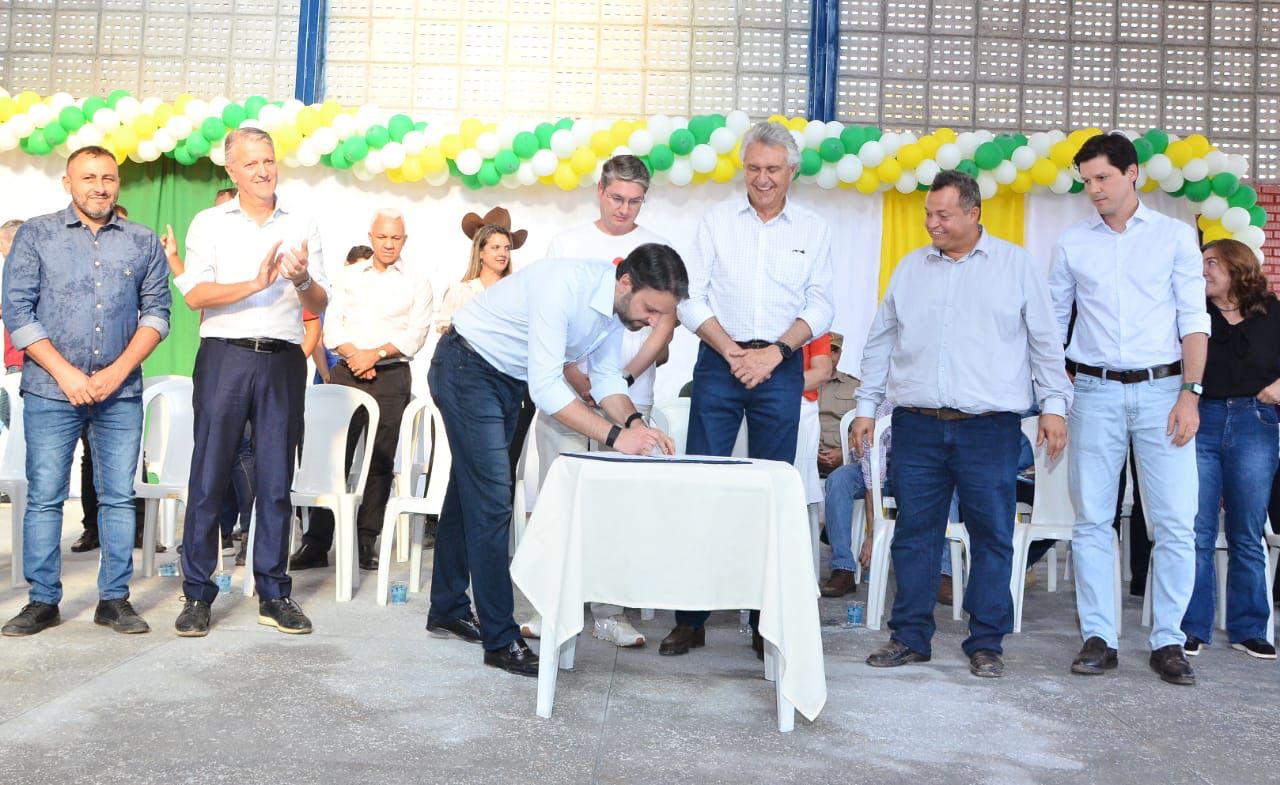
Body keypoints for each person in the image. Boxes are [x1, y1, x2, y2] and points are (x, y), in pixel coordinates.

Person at [427, 244, 687, 677]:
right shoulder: (562, 285)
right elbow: (548, 388)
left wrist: (637, 422)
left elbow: (604, 378)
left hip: (509, 381)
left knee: (469, 492)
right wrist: (616, 436)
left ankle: (447, 607)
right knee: (492, 501)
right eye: (651, 309)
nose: (654, 323)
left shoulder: (615, 310)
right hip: (467, 367)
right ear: (626, 282)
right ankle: (500, 639)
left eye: (663, 314)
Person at [853, 170, 1070, 678]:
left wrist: (1055, 405)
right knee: (914, 533)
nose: (933, 223)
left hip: (989, 428)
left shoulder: (1016, 267)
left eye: (943, 214)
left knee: (991, 534)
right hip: (917, 425)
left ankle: (987, 641)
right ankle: (909, 637)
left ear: (974, 213)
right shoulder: (910, 269)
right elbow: (880, 341)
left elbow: (1044, 340)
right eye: (929, 214)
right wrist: (866, 406)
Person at [661, 121, 834, 659]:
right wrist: (734, 351)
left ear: (793, 171)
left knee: (770, 493)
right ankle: (690, 618)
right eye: (754, 168)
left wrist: (775, 354)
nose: (763, 179)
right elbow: (690, 299)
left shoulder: (813, 228)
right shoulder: (716, 222)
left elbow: (822, 303)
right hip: (719, 360)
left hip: (780, 365)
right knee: (703, 488)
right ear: (744, 168)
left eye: (773, 170)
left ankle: (765, 622)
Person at [1049, 132, 1208, 686]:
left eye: (1103, 178)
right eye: (1086, 180)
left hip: (1165, 392)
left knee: (1174, 523)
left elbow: (1194, 319)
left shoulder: (1174, 237)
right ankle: (1100, 637)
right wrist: (1053, 397)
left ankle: (1168, 640)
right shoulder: (1072, 243)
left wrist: (1192, 392)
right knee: (1092, 520)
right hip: (1092, 392)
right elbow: (1050, 326)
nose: (1093, 189)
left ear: (1132, 172)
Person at [0, 145, 171, 637]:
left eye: (109, 178)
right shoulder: (36, 235)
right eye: (89, 177)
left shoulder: (142, 241)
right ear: (68, 183)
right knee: (46, 498)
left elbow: (158, 313)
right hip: (52, 391)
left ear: (119, 184)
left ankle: (114, 600)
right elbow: (18, 313)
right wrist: (67, 375)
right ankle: (41, 600)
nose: (100, 187)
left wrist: (116, 373)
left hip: (120, 394)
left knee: (118, 497)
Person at [172, 127, 328, 637]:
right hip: (225, 357)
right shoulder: (210, 222)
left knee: (276, 481)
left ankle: (274, 592)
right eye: (252, 163)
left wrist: (302, 280)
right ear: (232, 171)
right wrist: (256, 284)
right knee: (209, 478)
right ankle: (197, 594)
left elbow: (320, 304)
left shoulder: (302, 222)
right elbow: (195, 295)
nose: (264, 170)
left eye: (270, 160)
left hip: (282, 360)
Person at [526, 154, 675, 649]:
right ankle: (549, 606)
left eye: (634, 201)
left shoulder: (655, 249)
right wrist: (576, 376)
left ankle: (610, 611)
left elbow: (665, 326)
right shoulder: (567, 244)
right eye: (616, 198)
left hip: (627, 399)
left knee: (617, 512)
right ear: (599, 191)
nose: (624, 210)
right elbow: (549, 321)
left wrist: (622, 385)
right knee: (557, 505)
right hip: (565, 399)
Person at [289, 209, 433, 573]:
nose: (388, 243)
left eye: (395, 238)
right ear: (371, 237)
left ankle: (364, 540)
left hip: (392, 373)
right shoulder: (350, 276)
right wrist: (356, 355)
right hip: (348, 370)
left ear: (404, 240)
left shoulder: (418, 281)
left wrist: (377, 353)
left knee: (380, 461)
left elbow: (415, 334)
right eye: (382, 237)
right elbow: (332, 325)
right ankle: (316, 542)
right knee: (330, 456)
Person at [1179, 239, 1280, 660]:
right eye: (1202, 263)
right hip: (1202, 420)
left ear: (1238, 268)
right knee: (1197, 529)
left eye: (1212, 263)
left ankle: (1250, 628)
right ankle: (1192, 627)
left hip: (1256, 422)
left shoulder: (1272, 311)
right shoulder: (1192, 314)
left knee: (1246, 529)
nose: (1204, 271)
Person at [816, 332, 859, 478]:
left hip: (845, 462)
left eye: (834, 351)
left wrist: (844, 452)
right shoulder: (801, 382)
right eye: (824, 350)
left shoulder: (855, 387)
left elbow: (866, 428)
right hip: (804, 460)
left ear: (840, 354)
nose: (830, 356)